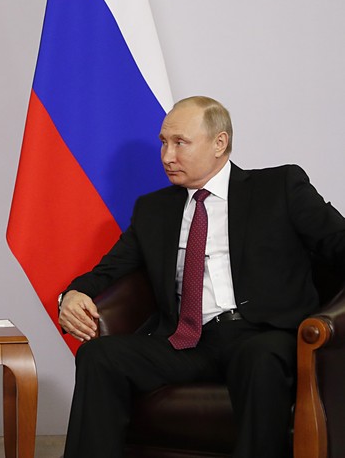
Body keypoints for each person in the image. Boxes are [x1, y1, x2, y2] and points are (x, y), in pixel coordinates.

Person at [58, 96, 345, 458]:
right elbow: (108, 270)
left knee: (261, 358)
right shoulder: (154, 209)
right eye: (164, 142)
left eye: (180, 143)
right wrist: (72, 294)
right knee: (99, 355)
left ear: (219, 143)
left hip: (261, 333)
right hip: (187, 340)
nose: (167, 156)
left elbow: (338, 242)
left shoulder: (279, 187)